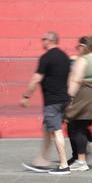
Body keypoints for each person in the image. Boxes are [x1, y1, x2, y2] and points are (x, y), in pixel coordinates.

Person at [20, 31, 71, 175]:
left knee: (56, 130)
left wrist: (26, 96)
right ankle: (43, 159)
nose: (42, 42)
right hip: (63, 99)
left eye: (43, 39)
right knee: (47, 128)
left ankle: (63, 165)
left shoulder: (46, 57)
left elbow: (36, 79)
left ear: (49, 41)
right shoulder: (64, 57)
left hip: (52, 101)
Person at [65, 36, 92, 171]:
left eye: (78, 47)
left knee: (76, 126)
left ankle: (81, 161)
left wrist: (70, 97)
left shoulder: (83, 60)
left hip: (84, 96)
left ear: (84, 46)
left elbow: (76, 80)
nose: (77, 50)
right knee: (82, 125)